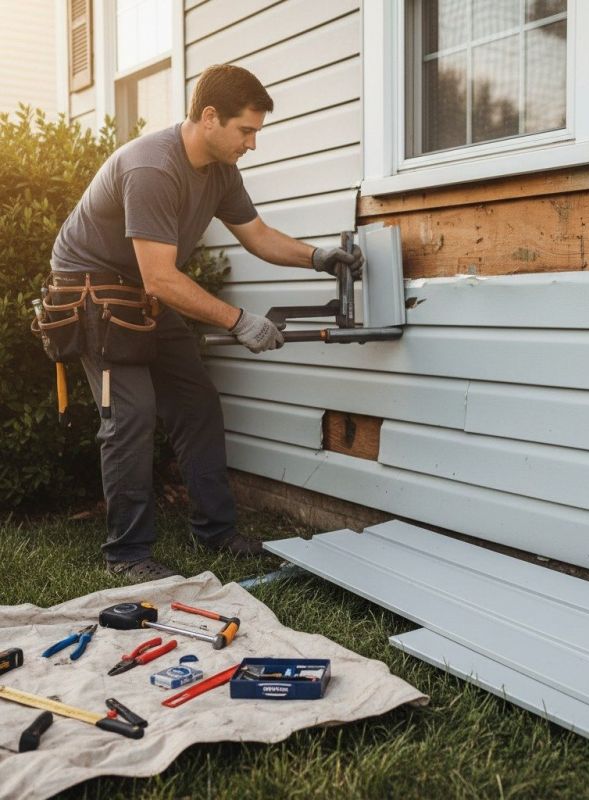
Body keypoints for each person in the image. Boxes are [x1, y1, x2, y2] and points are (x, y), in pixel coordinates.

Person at [48, 64, 363, 582]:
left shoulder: (220, 170)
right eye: (246, 130)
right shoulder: (152, 167)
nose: (253, 143)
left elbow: (257, 234)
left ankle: (216, 533)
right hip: (93, 294)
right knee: (130, 416)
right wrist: (240, 321)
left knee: (195, 402)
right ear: (210, 117)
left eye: (257, 132)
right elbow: (161, 280)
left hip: (143, 290)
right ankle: (127, 555)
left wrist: (318, 257)